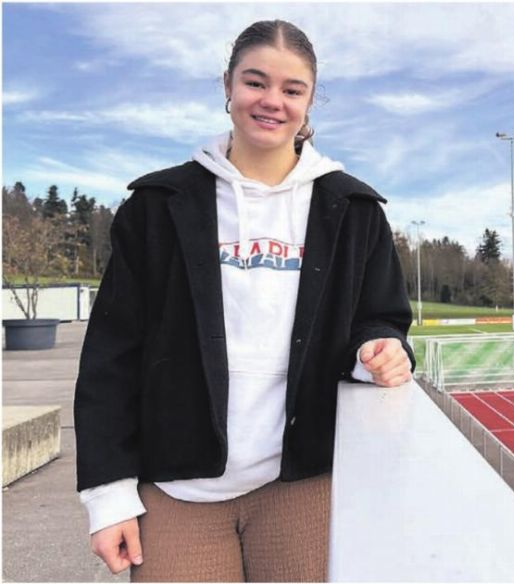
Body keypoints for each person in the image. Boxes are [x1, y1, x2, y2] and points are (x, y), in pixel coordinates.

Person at [74, 20, 414, 582]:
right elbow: (112, 355)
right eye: (256, 82)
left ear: (310, 101)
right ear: (228, 86)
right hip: (178, 487)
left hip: (302, 482)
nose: (272, 101)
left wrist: (378, 350)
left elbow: (380, 319)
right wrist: (107, 495)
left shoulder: (353, 210)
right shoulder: (158, 206)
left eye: (292, 89)